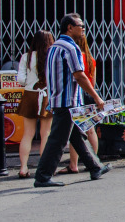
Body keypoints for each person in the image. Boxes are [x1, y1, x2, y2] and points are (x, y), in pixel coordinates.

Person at [32, 13, 108, 187]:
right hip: (68, 101)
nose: (83, 29)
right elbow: (79, 75)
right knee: (57, 140)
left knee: (76, 136)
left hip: (58, 100)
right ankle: (43, 176)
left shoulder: (54, 47)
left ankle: (95, 167)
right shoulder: (70, 48)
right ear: (69, 27)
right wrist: (96, 97)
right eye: (80, 26)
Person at [15, 31, 54, 179]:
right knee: (46, 134)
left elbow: (20, 80)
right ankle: (43, 168)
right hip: (46, 96)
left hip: (30, 95)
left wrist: (30, 83)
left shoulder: (27, 56)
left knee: (28, 134)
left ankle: (23, 168)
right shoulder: (52, 56)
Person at [65, 30, 100, 173]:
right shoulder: (91, 60)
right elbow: (93, 81)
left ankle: (74, 164)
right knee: (91, 130)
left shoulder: (74, 57)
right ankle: (93, 161)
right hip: (89, 94)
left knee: (77, 130)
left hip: (78, 95)